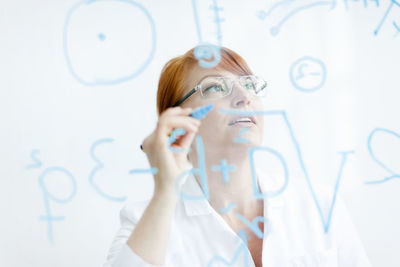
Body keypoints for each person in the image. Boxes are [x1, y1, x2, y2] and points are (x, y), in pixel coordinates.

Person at [103, 47, 371, 267]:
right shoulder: (145, 223)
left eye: (249, 85)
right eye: (216, 88)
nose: (244, 97)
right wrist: (165, 191)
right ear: (177, 121)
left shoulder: (320, 206)